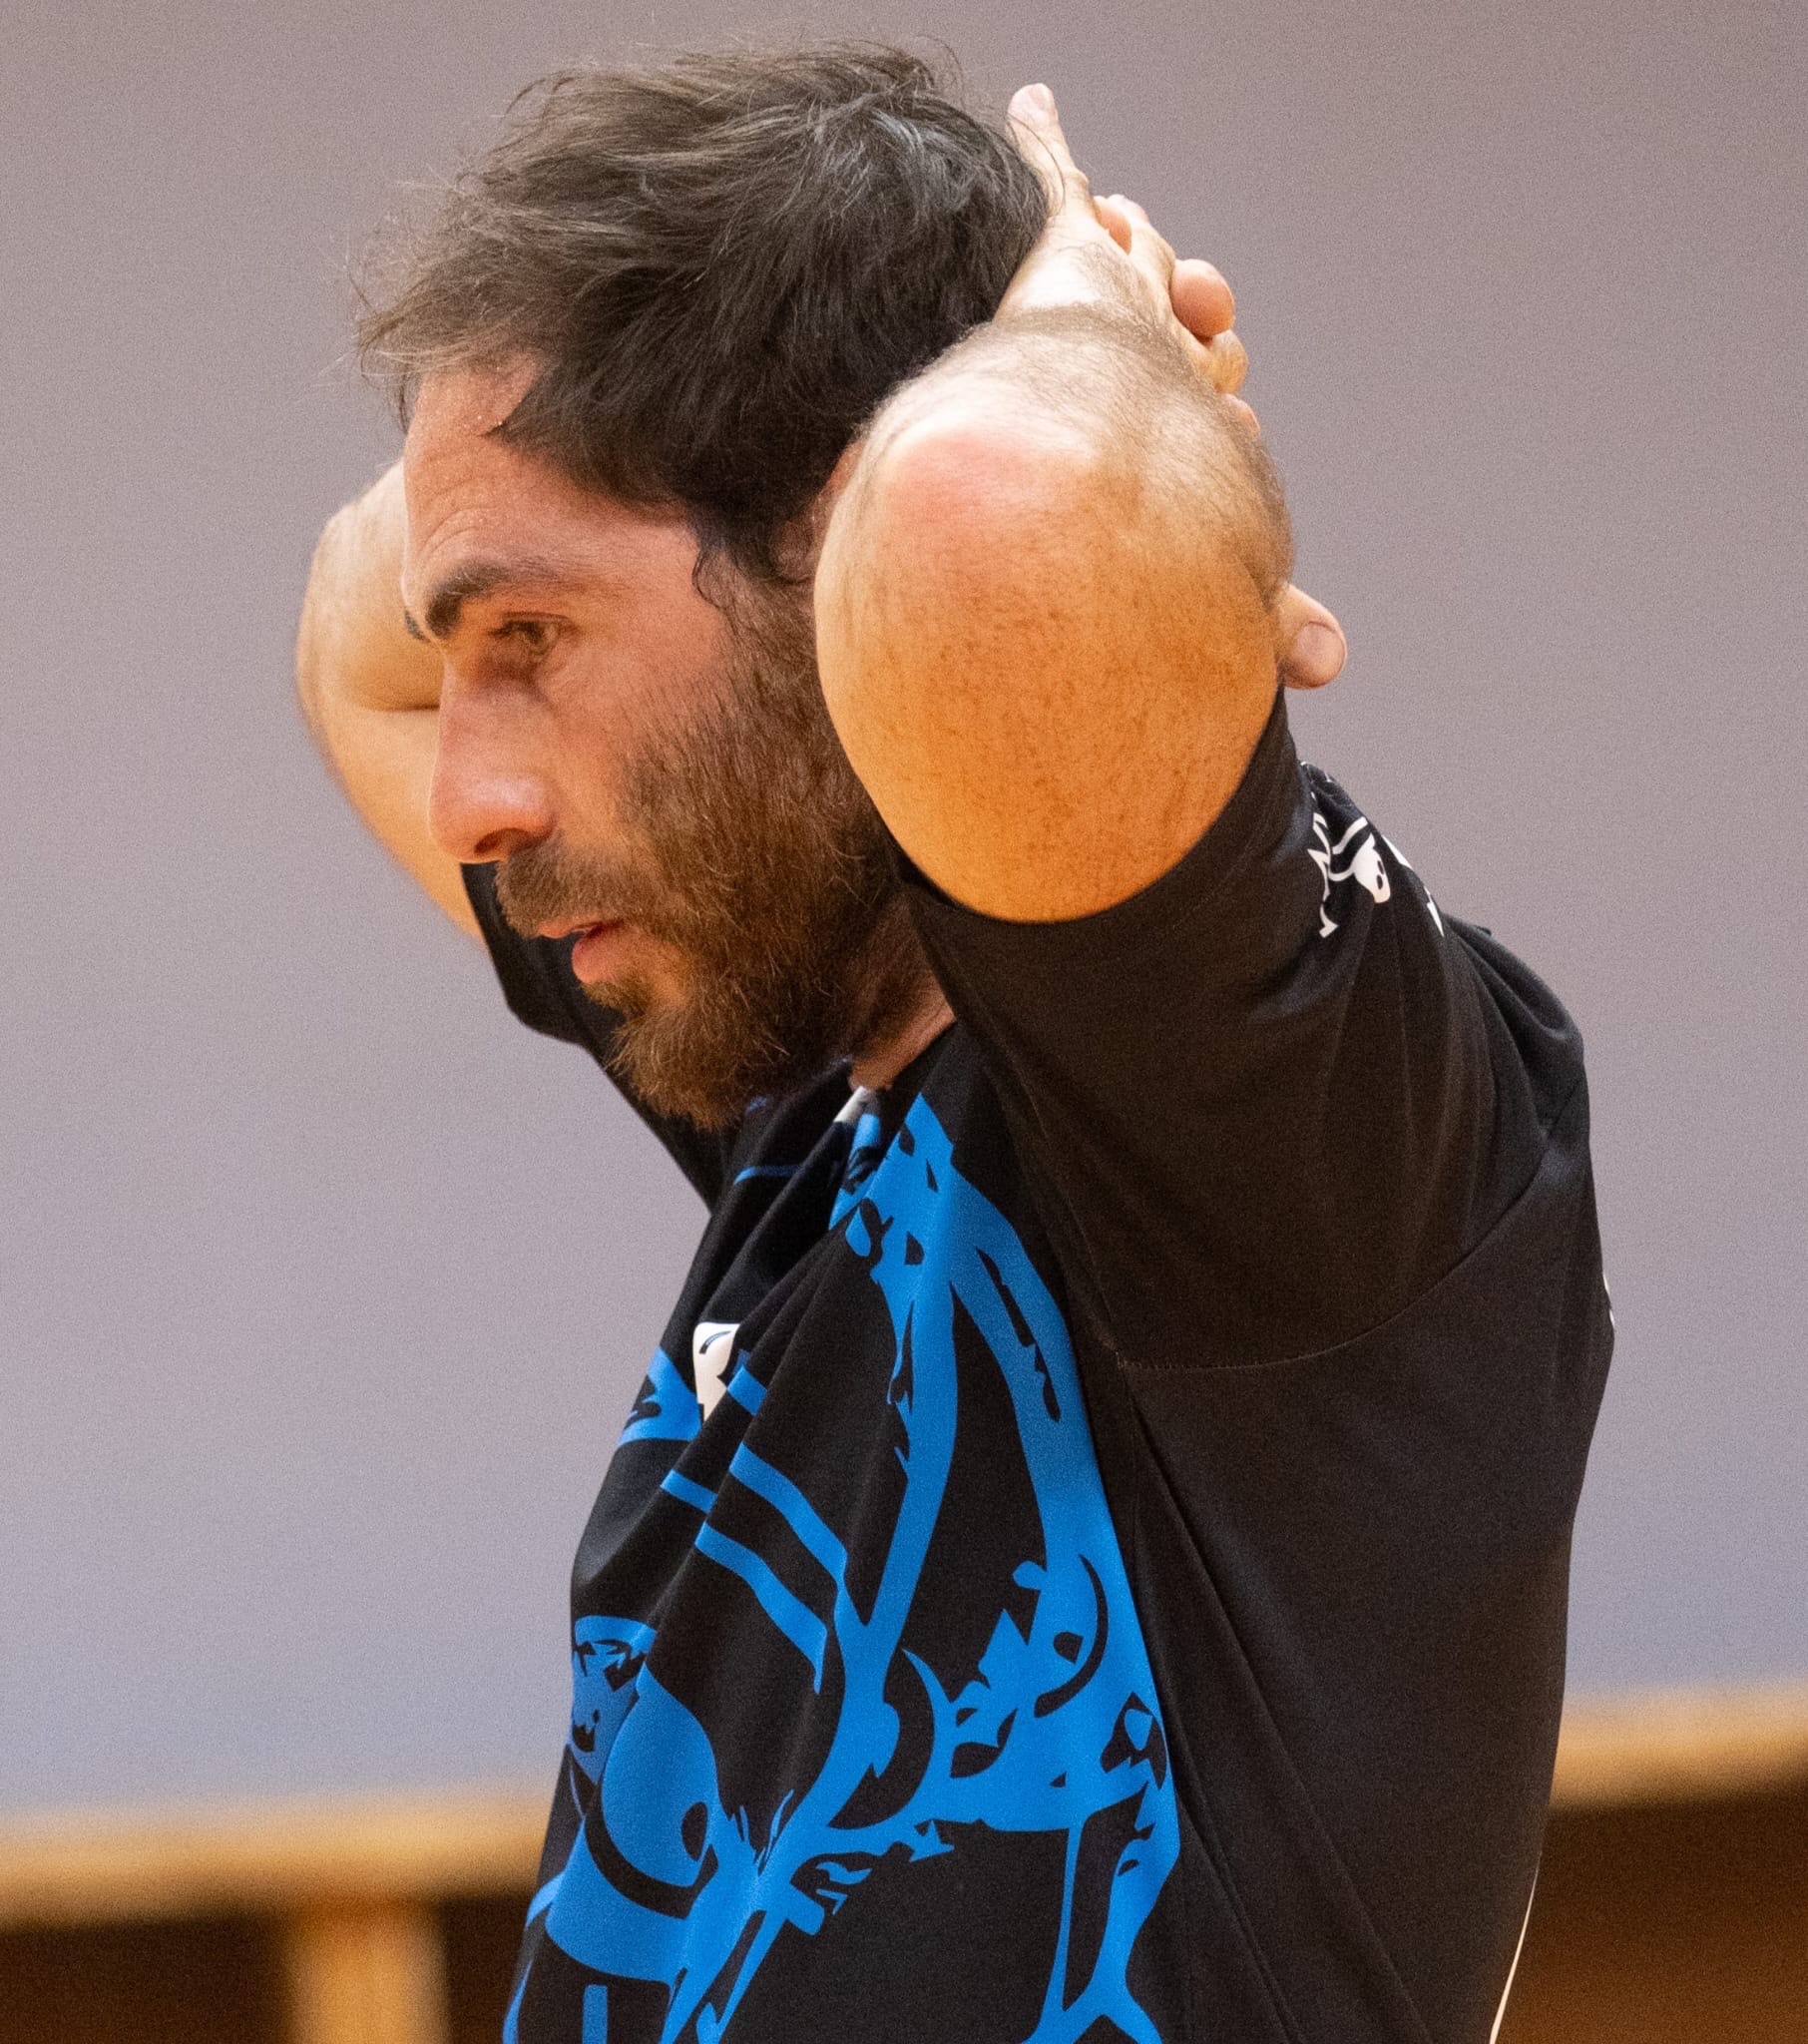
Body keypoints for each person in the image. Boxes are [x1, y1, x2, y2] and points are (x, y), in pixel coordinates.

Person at [297, 45, 1611, 2044]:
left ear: (839, 554)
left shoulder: (1257, 1108)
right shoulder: (807, 1070)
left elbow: (995, 504)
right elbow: (351, 645)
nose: (471, 793)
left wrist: (1081, 294)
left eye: (532, 641)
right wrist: (572, 432)